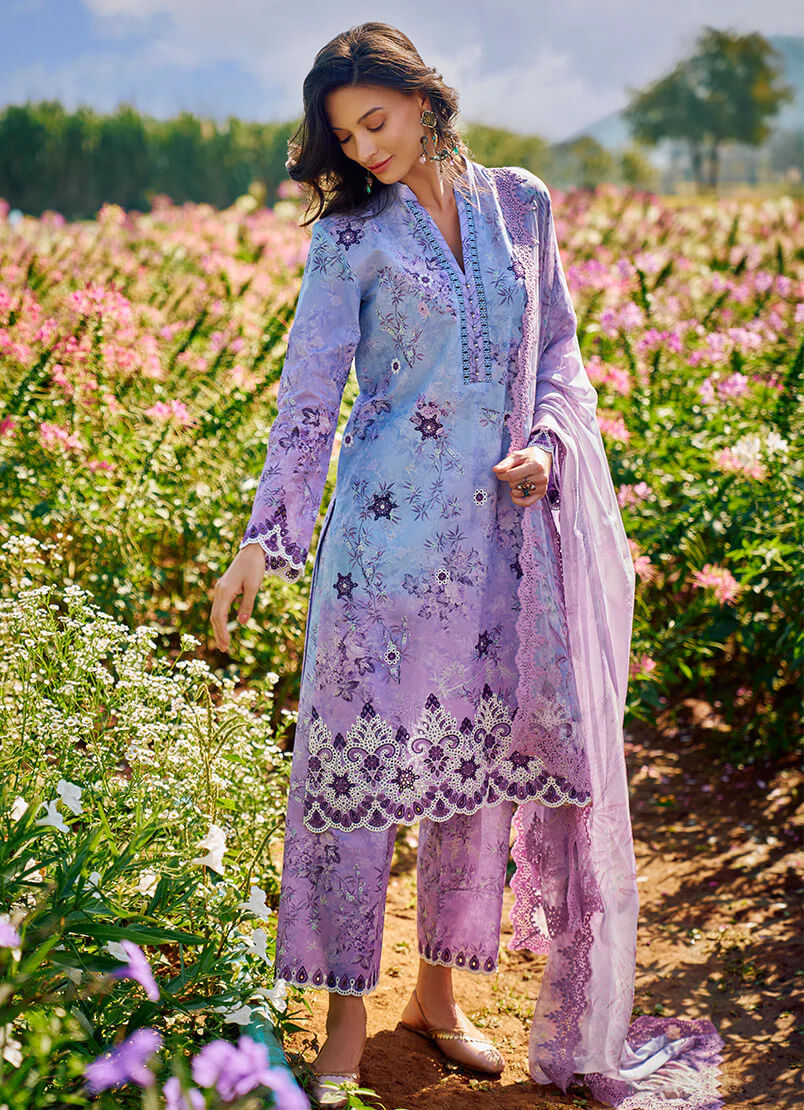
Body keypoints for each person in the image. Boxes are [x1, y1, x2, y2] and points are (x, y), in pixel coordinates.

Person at [211, 21, 725, 1110]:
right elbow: (310, 394)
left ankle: (435, 1000)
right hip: (381, 557)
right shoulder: (350, 239)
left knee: (472, 786)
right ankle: (344, 1019)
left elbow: (559, 349)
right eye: (348, 137)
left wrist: (547, 442)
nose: (366, 149)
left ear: (424, 99)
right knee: (354, 786)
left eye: (377, 121)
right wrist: (264, 539)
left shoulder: (522, 205)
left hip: (500, 552)